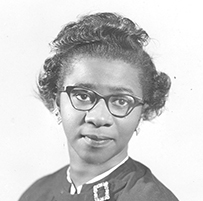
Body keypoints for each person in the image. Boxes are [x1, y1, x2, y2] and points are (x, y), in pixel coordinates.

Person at [19, 12, 179, 201]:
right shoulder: (36, 194)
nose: (98, 118)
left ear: (142, 112)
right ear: (57, 102)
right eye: (82, 96)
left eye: (121, 101)